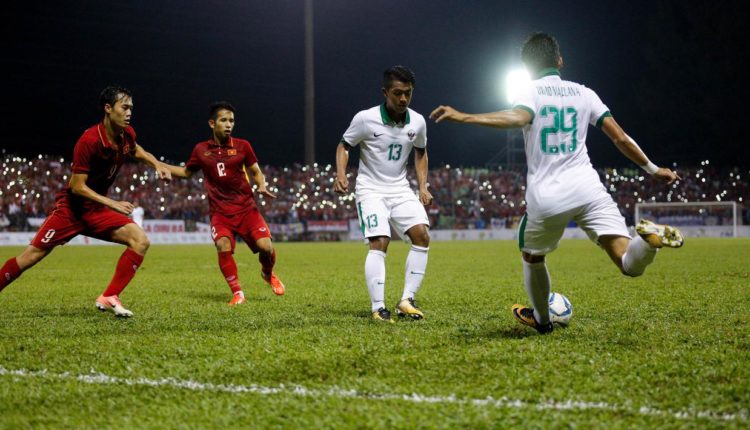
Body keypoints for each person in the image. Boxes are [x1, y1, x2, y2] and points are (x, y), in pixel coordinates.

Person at [430, 32, 684, 334]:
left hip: (548, 194)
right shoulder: (584, 93)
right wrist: (654, 169)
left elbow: (517, 117)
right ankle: (648, 242)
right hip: (588, 189)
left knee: (532, 257)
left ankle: (542, 319)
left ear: (526, 68)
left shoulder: (530, 91)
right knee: (628, 262)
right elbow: (620, 137)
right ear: (560, 61)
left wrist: (465, 117)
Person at [0, 86, 172, 317]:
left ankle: (109, 296)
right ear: (108, 109)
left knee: (139, 240)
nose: (130, 112)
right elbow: (77, 187)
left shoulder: (127, 134)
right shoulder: (89, 140)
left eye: (131, 107)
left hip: (96, 210)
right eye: (124, 107)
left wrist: (158, 165)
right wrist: (113, 204)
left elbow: (138, 151)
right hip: (71, 211)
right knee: (31, 256)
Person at [335, 65, 433, 322]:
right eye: (397, 93)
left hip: (400, 188)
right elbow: (344, 145)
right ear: (385, 92)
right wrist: (342, 174)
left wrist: (423, 186)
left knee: (422, 236)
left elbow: (420, 152)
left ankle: (406, 300)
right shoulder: (365, 119)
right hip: (370, 189)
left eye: (408, 94)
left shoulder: (418, 121)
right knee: (380, 241)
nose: (403, 99)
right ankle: (378, 307)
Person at [164, 102, 284, 306]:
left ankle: (267, 273)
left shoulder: (243, 146)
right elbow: (186, 173)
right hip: (220, 212)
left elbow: (255, 171)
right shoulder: (201, 150)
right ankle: (238, 293)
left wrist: (262, 185)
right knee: (223, 245)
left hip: (246, 209)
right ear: (212, 123)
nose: (229, 125)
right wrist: (160, 166)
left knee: (266, 247)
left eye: (232, 121)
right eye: (224, 120)